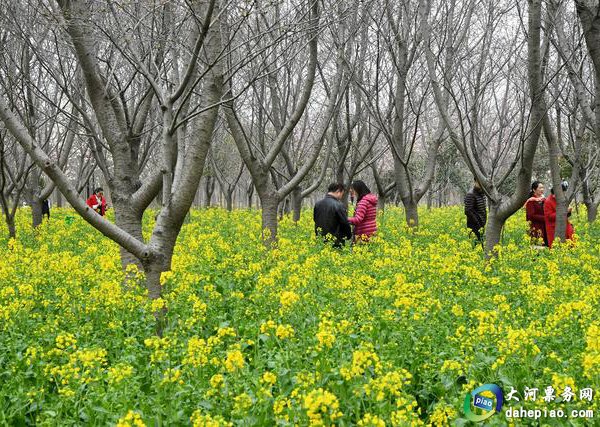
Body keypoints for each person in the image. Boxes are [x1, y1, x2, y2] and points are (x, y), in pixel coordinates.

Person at [313, 183, 352, 247]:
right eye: (342, 194)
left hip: (320, 241)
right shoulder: (339, 205)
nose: (341, 196)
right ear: (338, 191)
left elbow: (315, 219)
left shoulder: (317, 204)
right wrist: (348, 236)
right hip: (335, 242)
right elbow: (345, 223)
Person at [544, 184, 574, 248]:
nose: (563, 194)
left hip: (565, 225)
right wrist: (564, 211)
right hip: (554, 228)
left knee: (570, 245)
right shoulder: (548, 201)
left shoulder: (562, 199)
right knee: (556, 248)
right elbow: (549, 216)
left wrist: (569, 211)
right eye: (562, 192)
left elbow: (566, 215)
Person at [464, 178, 487, 245]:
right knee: (475, 246)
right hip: (474, 226)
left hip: (481, 224)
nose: (480, 184)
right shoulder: (470, 194)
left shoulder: (482, 194)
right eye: (478, 182)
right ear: (475, 181)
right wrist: (477, 223)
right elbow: (467, 211)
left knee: (481, 244)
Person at [525, 181, 547, 246]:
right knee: (537, 247)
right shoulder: (530, 201)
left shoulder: (544, 200)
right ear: (534, 190)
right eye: (540, 188)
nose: (542, 189)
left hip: (544, 227)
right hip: (535, 227)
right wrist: (545, 218)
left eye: (543, 188)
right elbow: (531, 215)